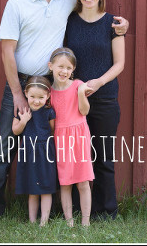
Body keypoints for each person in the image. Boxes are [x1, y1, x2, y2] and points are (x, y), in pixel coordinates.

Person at [0, 0, 128, 220]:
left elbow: (92, 2)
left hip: (55, 87)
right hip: (22, 85)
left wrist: (121, 27)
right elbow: (6, 51)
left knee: (53, 148)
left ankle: (59, 209)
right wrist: (18, 94)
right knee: (4, 148)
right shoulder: (17, 3)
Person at [64, 0, 125, 220]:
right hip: (75, 101)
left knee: (102, 157)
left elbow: (119, 63)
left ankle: (107, 210)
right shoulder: (69, 22)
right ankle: (80, 210)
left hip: (104, 98)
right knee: (77, 158)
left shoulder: (113, 23)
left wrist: (99, 82)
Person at [48, 47, 94, 227]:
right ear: (51, 66)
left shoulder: (77, 86)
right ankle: (69, 222)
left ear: (73, 70)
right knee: (65, 182)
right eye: (60, 66)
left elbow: (84, 111)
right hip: (60, 138)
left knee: (83, 182)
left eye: (68, 68)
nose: (64, 71)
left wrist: (81, 92)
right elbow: (51, 121)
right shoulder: (49, 93)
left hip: (79, 135)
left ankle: (86, 222)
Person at [12, 76, 57, 226]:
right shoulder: (22, 110)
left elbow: (52, 129)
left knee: (46, 187)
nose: (36, 101)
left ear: (48, 96)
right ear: (25, 93)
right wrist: (24, 120)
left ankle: (43, 221)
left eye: (40, 97)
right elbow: (16, 130)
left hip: (45, 151)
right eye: (32, 96)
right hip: (29, 151)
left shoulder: (49, 111)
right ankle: (32, 221)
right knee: (32, 189)